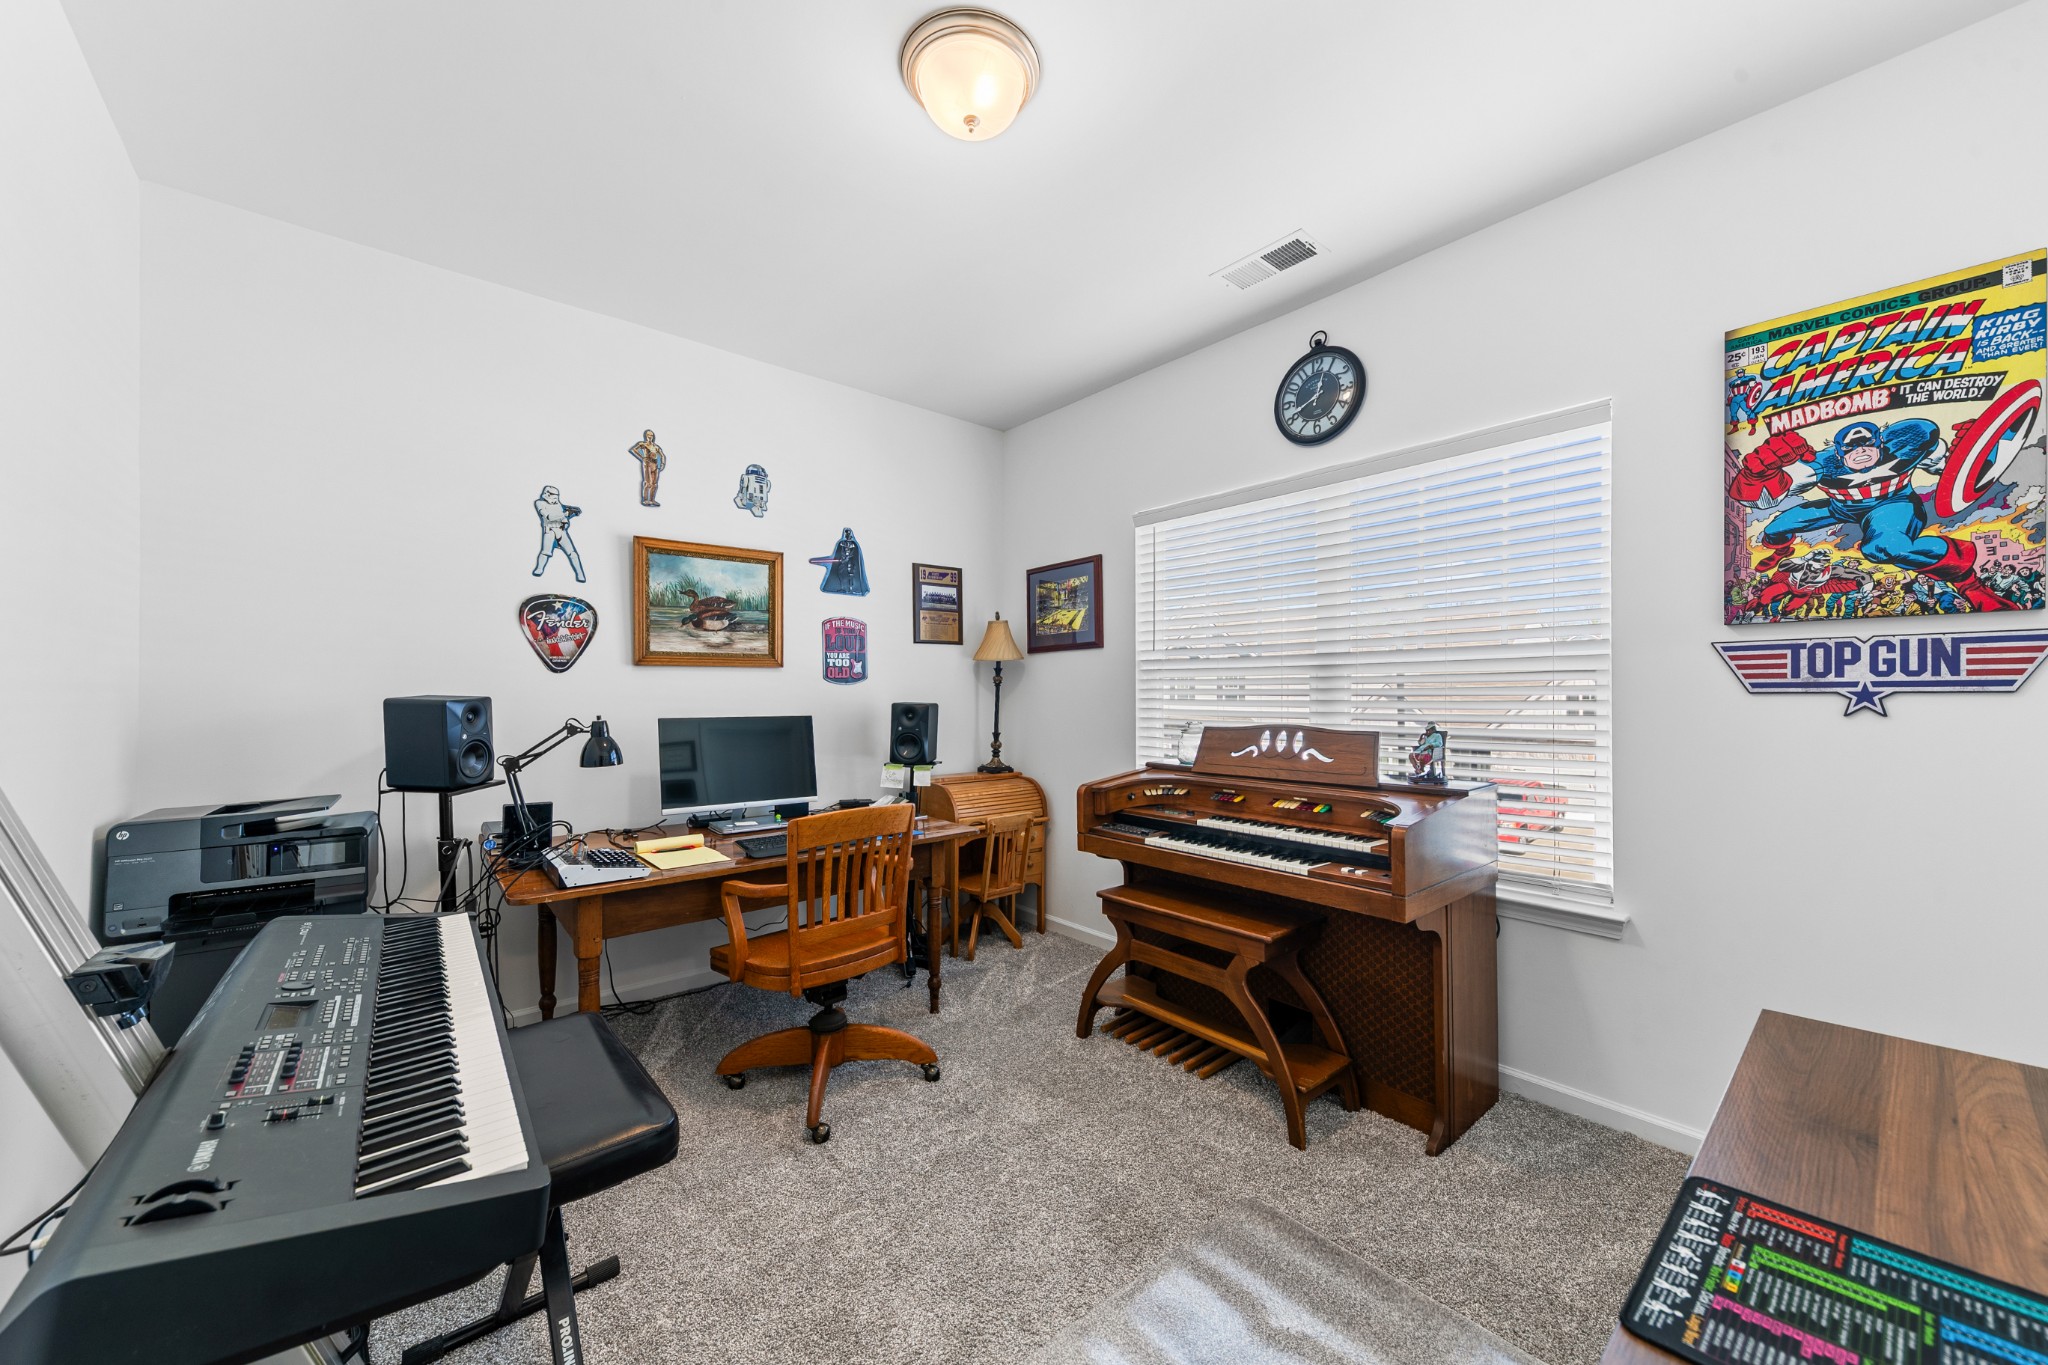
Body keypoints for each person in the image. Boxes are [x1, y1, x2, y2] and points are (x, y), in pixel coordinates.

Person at [532, 485, 586, 583]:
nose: (555, 498)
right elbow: (549, 517)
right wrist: (565, 514)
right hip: (549, 530)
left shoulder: (557, 503)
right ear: (547, 494)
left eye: (556, 495)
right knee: (545, 552)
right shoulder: (539, 503)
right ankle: (539, 569)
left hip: (561, 530)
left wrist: (570, 515)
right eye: (553, 495)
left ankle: (580, 573)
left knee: (572, 553)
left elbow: (562, 515)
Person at [629, 429, 666, 507]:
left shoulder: (656, 446)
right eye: (648, 435)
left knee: (654, 484)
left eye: (651, 435)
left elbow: (662, 455)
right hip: (647, 463)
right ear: (646, 436)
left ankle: (652, 500)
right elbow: (633, 449)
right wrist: (642, 457)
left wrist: (662, 463)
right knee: (647, 483)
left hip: (655, 464)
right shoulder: (643, 444)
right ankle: (645, 499)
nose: (650, 437)